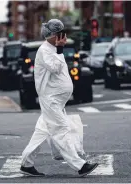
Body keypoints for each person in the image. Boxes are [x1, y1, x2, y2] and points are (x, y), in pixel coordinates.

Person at [20, 19, 98, 177]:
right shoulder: (44, 50)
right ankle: (80, 166)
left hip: (56, 99)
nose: (62, 36)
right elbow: (55, 68)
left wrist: (59, 49)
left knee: (42, 130)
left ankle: (26, 163)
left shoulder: (53, 49)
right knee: (61, 130)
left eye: (62, 33)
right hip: (51, 99)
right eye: (59, 33)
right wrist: (60, 49)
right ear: (52, 35)